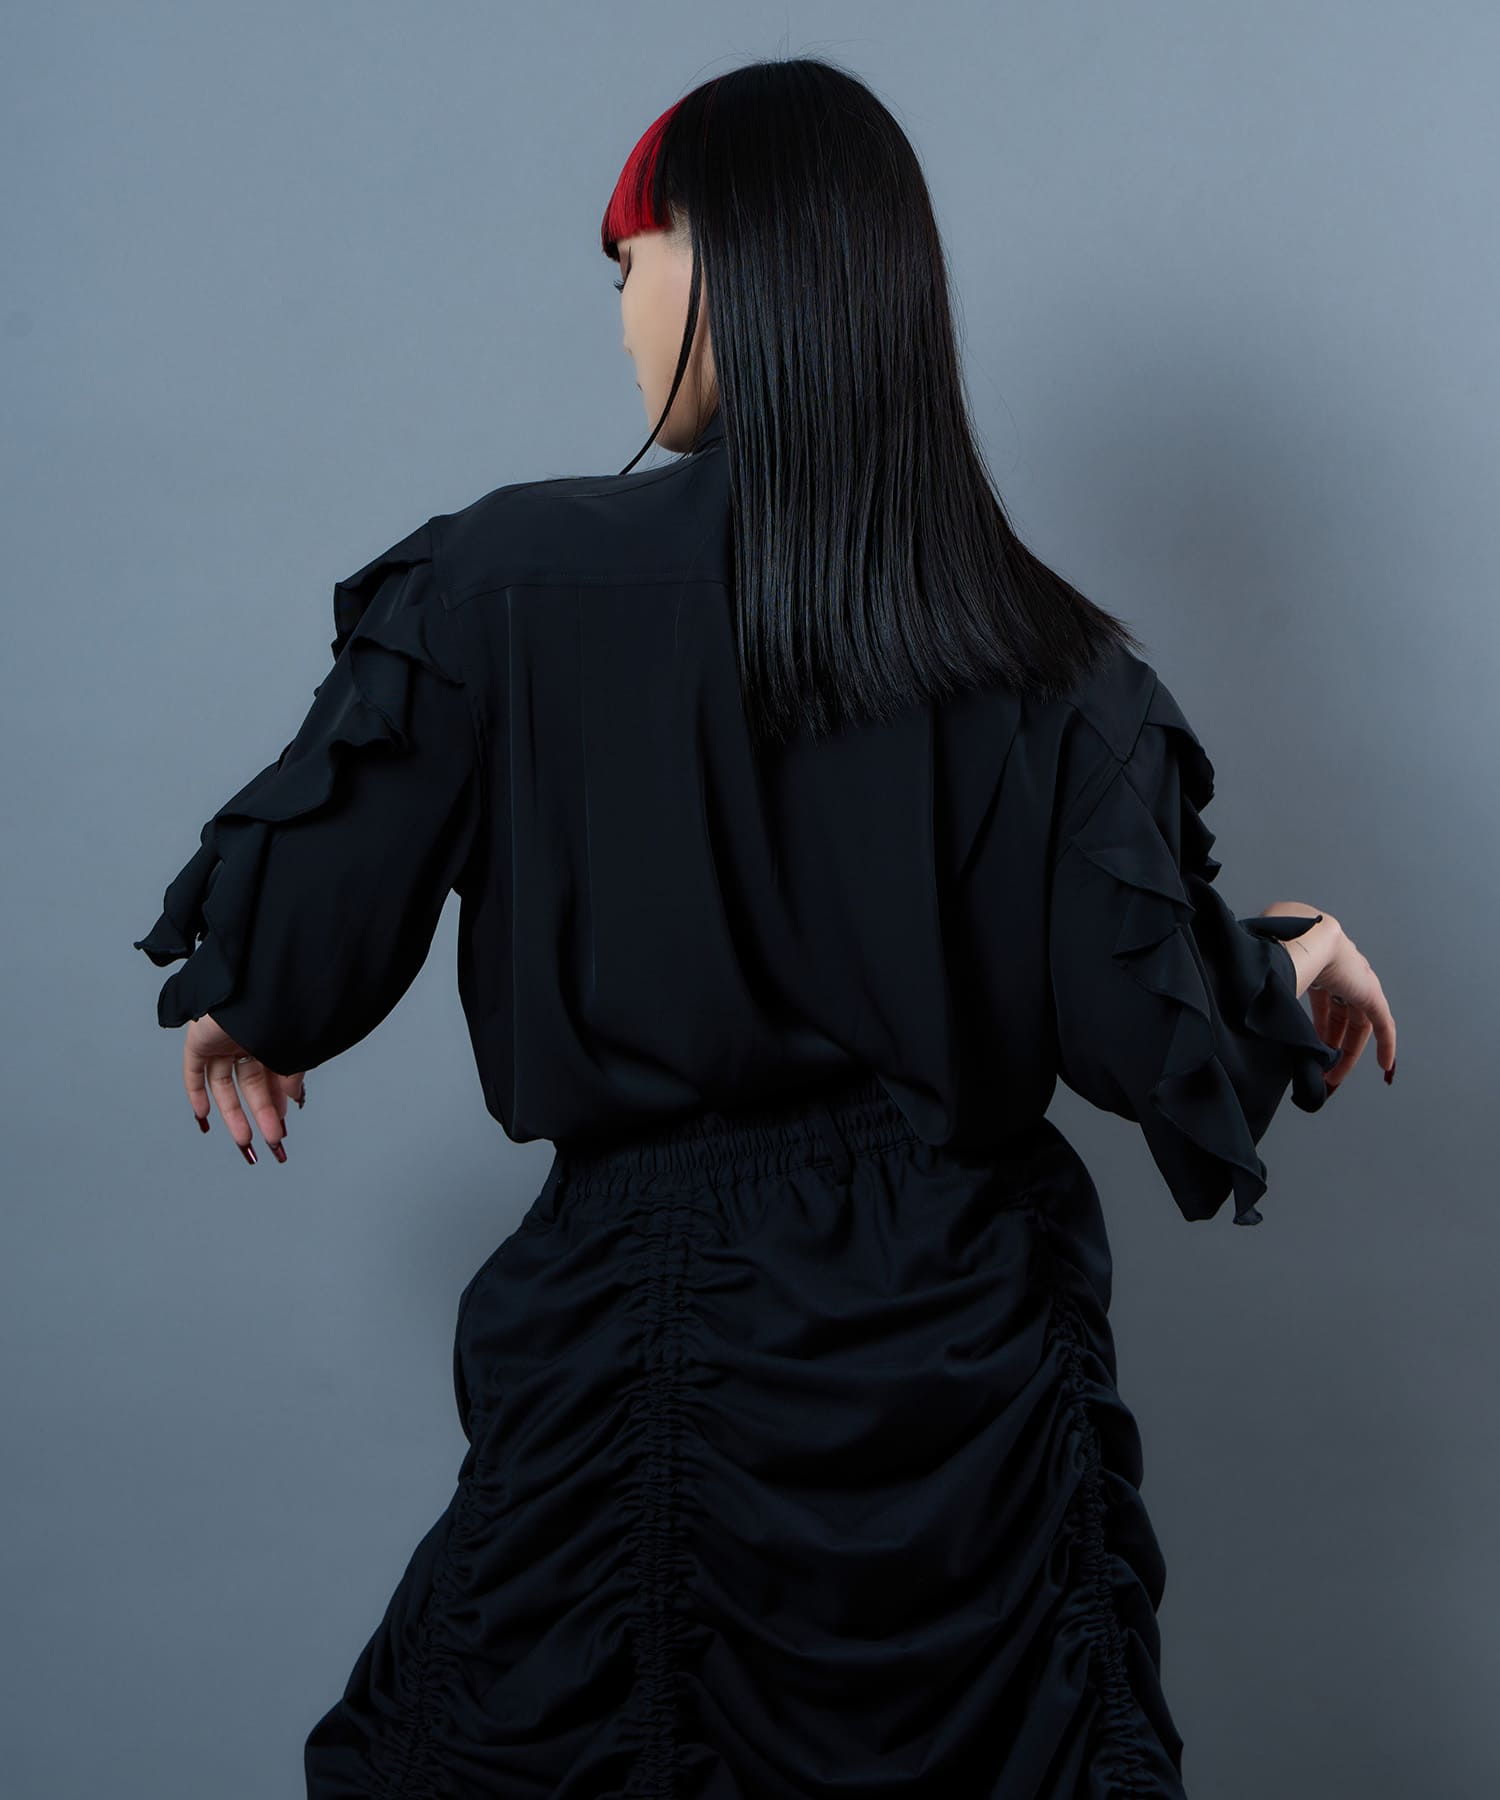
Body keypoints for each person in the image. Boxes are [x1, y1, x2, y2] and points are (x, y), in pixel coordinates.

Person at [134, 55, 1395, 1800]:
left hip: (642, 1336)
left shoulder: (502, 588)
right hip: (964, 1380)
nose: (621, 312)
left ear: (724, 263)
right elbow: (1142, 1028)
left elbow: (309, 908)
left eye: (629, 261)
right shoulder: (1047, 660)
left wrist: (250, 1002)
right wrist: (1294, 948)